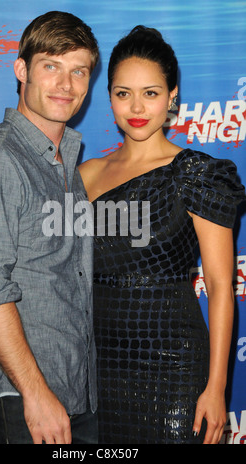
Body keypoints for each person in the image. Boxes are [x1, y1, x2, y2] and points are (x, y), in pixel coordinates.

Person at [79, 26, 245, 444]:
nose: (136, 107)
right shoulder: (84, 175)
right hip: (96, 367)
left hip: (172, 366)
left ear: (173, 97)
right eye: (123, 93)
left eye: (150, 93)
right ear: (110, 97)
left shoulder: (197, 174)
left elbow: (222, 287)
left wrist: (216, 388)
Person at [0, 11, 99, 444]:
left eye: (79, 71)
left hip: (75, 393)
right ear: (21, 70)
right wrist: (35, 394)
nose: (65, 85)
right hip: (22, 403)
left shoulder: (65, 163)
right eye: (51, 66)